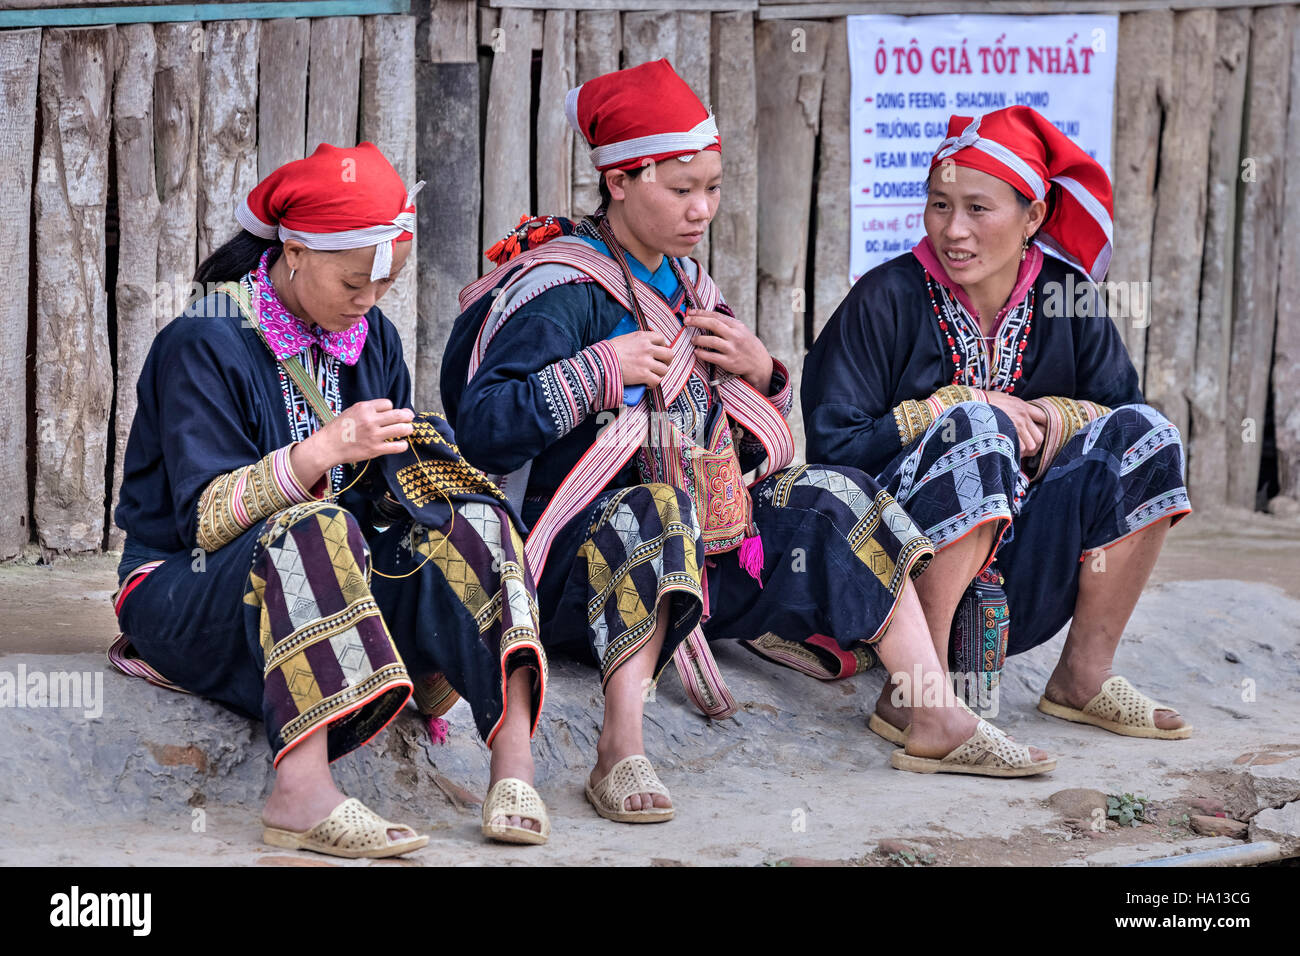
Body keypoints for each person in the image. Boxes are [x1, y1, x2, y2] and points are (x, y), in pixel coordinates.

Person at [442, 60, 1057, 819]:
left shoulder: (688, 285)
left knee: (836, 497)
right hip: (572, 575)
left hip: (703, 562)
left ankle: (930, 709)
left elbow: (748, 445)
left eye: (712, 187)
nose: (702, 209)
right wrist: (602, 369)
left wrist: (761, 371)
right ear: (620, 182)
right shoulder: (558, 290)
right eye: (681, 189)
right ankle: (620, 750)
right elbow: (481, 430)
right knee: (654, 508)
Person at [112, 142, 550, 857]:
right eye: (353, 283)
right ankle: (301, 792)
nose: (369, 302)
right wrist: (323, 450)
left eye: (385, 285)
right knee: (310, 528)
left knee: (472, 514)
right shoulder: (204, 340)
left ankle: (514, 762)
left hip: (330, 571)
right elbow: (204, 521)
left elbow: (387, 495)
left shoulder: (369, 334)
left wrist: (421, 463)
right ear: (292, 250)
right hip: (185, 587)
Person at [803, 106, 1193, 746]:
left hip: (1024, 576)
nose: (954, 230)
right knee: (976, 429)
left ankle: (1082, 678)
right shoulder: (885, 298)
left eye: (978, 209)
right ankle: (914, 691)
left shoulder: (1067, 296)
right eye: (939, 205)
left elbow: (1124, 417)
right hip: (885, 577)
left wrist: (1046, 417)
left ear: (1033, 216)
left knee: (1151, 439)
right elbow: (832, 454)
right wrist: (956, 410)